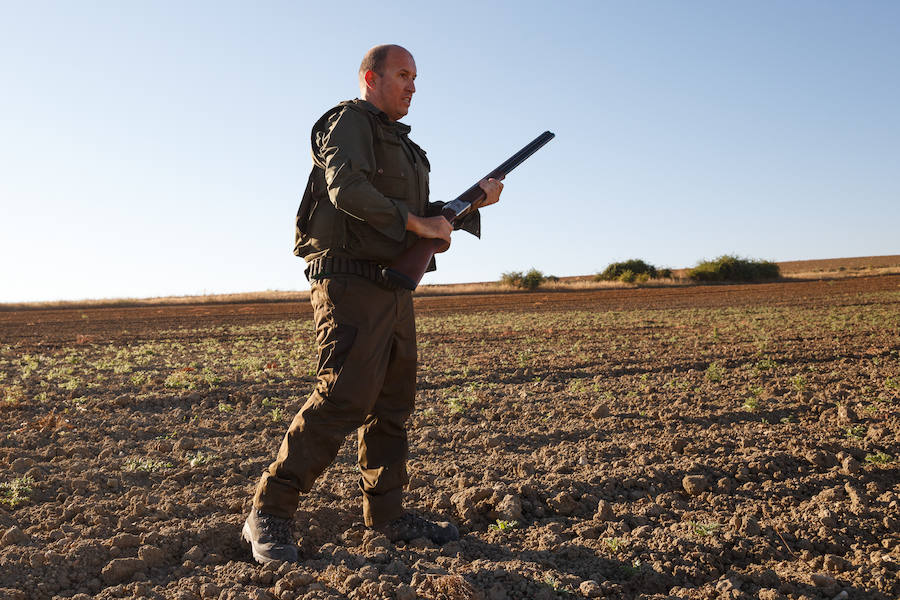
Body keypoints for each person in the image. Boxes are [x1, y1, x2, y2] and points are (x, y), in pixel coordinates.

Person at [241, 44, 503, 564]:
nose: (412, 85)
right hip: (349, 281)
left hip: (393, 285)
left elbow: (419, 216)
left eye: (416, 77)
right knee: (343, 396)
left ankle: (387, 515)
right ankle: (269, 513)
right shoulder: (348, 122)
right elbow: (349, 191)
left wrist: (471, 204)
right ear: (370, 77)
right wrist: (418, 224)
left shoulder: (407, 148)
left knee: (391, 405)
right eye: (402, 75)